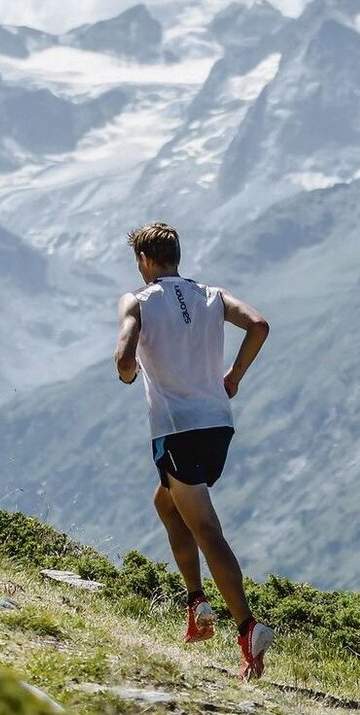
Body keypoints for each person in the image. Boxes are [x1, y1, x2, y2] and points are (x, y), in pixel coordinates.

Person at [114, 221, 274, 680]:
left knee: (205, 528)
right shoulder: (212, 295)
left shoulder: (137, 301)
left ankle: (247, 627)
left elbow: (125, 359)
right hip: (217, 425)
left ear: (144, 261)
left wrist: (128, 374)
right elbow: (259, 325)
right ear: (176, 255)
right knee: (166, 504)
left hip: (178, 430)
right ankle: (197, 604)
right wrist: (235, 376)